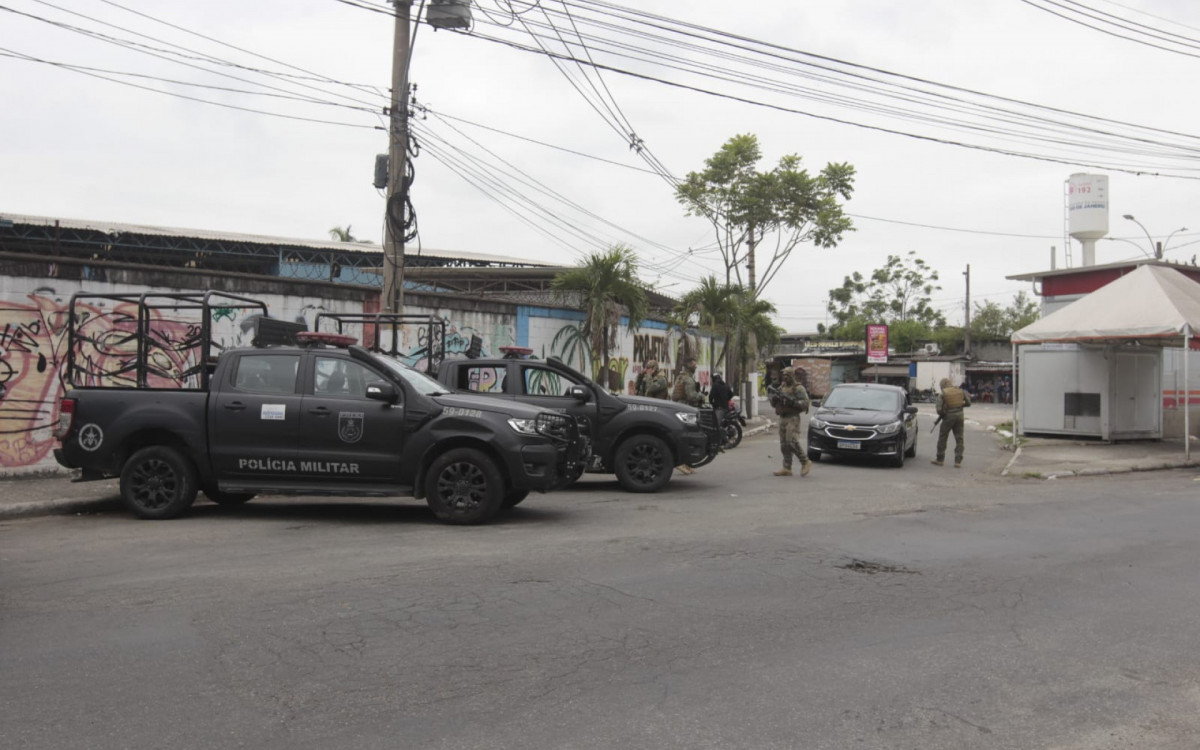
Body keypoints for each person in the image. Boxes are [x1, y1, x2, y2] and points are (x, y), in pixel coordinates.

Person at [768, 366, 812, 477]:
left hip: (793, 417)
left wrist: (793, 402)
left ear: (792, 376)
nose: (785, 377)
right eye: (784, 375)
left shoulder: (798, 388)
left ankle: (805, 461)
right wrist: (774, 399)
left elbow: (806, 403)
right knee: (784, 444)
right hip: (783, 417)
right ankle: (787, 467)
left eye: (787, 375)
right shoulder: (781, 387)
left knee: (791, 441)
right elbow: (774, 402)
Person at [670, 356, 703, 474]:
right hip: (686, 410)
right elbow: (691, 396)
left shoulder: (680, 377)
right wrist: (702, 396)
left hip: (678, 408)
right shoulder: (688, 379)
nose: (696, 367)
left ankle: (686, 464)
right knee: (688, 437)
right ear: (689, 366)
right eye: (694, 365)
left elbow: (674, 395)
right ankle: (682, 463)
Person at [932, 376, 971, 468]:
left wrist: (945, 412)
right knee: (959, 438)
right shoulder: (960, 391)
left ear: (942, 386)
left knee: (943, 437)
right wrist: (959, 406)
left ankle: (940, 459)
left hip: (948, 417)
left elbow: (939, 410)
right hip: (960, 416)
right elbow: (968, 403)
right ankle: (958, 461)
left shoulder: (943, 393)